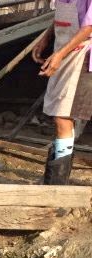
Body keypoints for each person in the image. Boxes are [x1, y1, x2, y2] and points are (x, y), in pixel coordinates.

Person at [32, 0, 92, 184]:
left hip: (82, 55)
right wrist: (45, 39)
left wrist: (59, 55)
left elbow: (89, 27)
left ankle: (56, 183)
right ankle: (54, 181)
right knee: (60, 117)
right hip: (63, 50)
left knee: (63, 117)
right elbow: (60, 17)